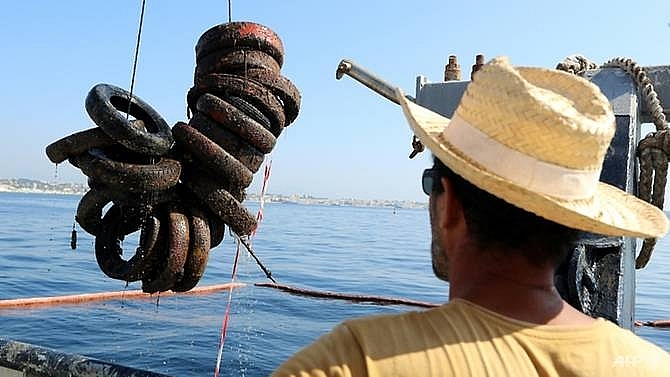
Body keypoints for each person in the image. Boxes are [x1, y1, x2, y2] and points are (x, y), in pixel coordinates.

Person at [271, 56, 670, 376]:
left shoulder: (352, 362)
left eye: (432, 185)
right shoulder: (650, 366)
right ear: (576, 220)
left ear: (449, 206)